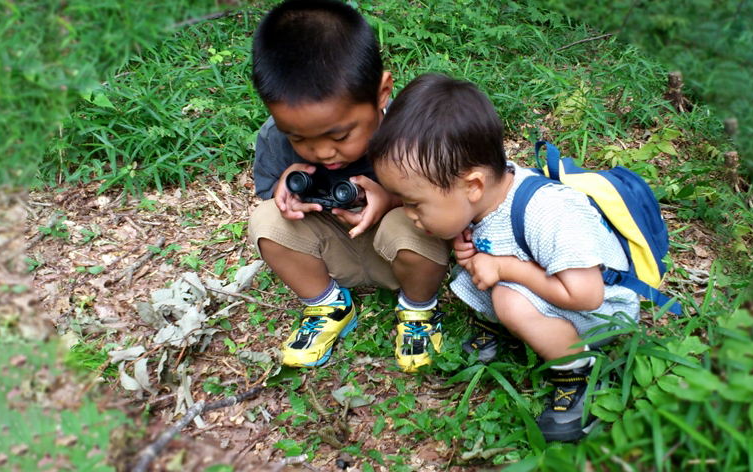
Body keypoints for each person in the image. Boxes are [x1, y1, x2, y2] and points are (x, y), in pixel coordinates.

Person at [368, 74, 640, 442]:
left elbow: (587, 294)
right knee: (498, 287)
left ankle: (579, 371)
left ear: (474, 186)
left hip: (603, 311)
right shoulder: (481, 198)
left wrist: (505, 268)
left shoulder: (548, 213)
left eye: (415, 204)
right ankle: (505, 324)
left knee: (508, 298)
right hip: (554, 288)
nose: (409, 214)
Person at [247, 0, 450, 372]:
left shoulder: (412, 135)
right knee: (265, 220)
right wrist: (285, 193)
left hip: (397, 252)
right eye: (299, 138)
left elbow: (450, 207)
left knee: (418, 222)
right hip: (332, 252)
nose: (323, 151)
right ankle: (328, 303)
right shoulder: (274, 139)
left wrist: (390, 199)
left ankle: (419, 310)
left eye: (340, 134)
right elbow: (273, 205)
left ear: (381, 93)